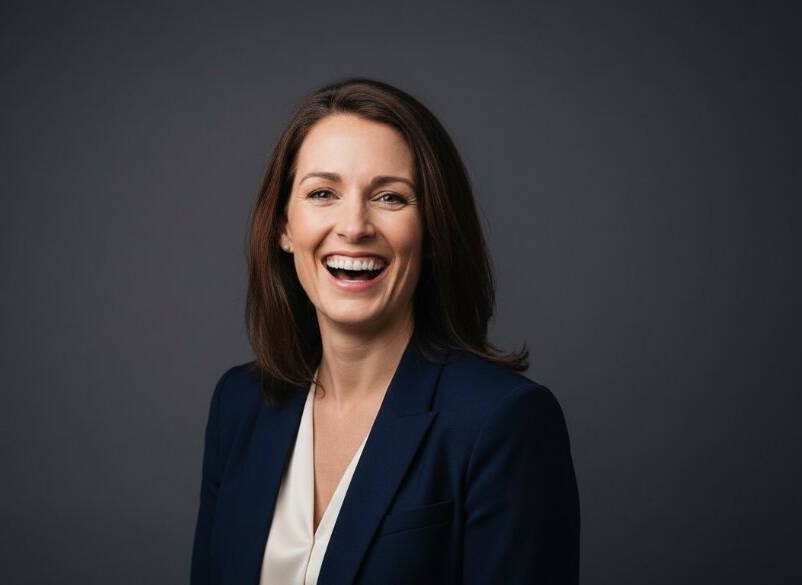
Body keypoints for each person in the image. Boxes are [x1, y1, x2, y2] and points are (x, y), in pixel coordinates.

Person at [190, 77, 580, 584]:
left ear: (434, 229)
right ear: (283, 227)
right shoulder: (240, 404)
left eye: (390, 197)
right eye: (323, 193)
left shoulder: (503, 423)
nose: (354, 226)